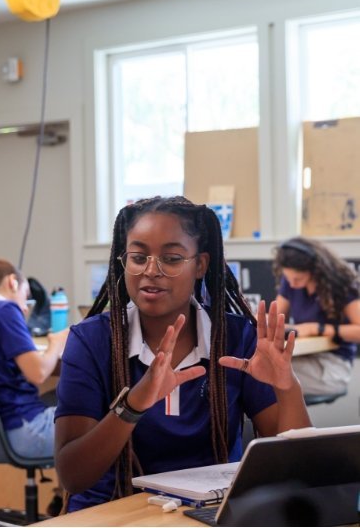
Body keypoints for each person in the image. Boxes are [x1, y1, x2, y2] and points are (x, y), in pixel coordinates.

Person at [54, 196, 310, 512]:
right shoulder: (91, 340)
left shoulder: (237, 338)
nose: (151, 270)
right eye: (138, 257)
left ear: (200, 264)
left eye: (172, 258)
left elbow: (295, 468)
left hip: (208, 514)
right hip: (112, 512)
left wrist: (288, 388)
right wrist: (132, 405)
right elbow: (72, 476)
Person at [0, 260, 67, 458]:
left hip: (1, 431)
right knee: (113, 423)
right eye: (26, 295)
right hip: (28, 429)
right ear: (13, 282)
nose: (26, 308)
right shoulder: (4, 310)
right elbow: (38, 373)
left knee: (62, 395)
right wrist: (57, 342)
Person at [273, 237, 360, 396]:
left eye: (297, 279)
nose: (292, 284)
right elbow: (275, 317)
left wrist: (317, 328)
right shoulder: (291, 283)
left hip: (332, 365)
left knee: (264, 377)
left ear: (315, 269)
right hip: (303, 357)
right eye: (288, 278)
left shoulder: (343, 285)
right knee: (259, 371)